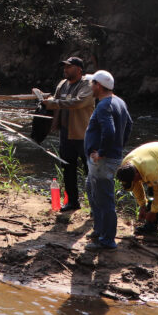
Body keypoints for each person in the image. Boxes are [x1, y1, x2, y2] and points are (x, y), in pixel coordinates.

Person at [83, 69, 132, 250]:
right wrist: (118, 147)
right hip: (107, 160)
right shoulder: (119, 102)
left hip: (102, 161)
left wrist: (102, 152)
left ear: (98, 86)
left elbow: (109, 131)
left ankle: (107, 240)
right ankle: (99, 230)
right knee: (92, 190)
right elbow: (129, 126)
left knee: (104, 199)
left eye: (91, 83)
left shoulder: (104, 105)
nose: (90, 86)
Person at [40, 57, 94, 211]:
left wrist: (53, 103)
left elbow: (78, 102)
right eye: (64, 67)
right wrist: (44, 99)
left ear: (79, 69)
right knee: (67, 168)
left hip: (83, 135)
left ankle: (94, 205)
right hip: (65, 133)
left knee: (89, 171)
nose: (65, 69)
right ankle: (72, 202)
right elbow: (55, 100)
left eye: (69, 67)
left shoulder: (87, 85)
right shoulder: (62, 84)